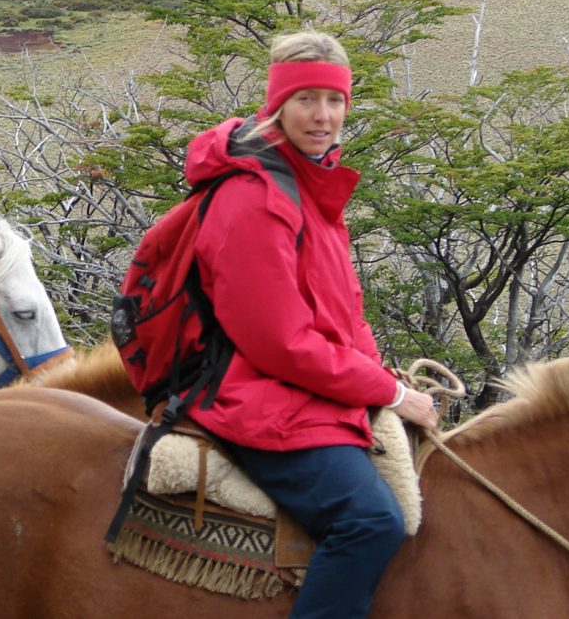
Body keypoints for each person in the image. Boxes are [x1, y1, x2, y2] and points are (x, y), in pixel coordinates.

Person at [184, 30, 437, 619]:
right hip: (256, 397)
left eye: (335, 100)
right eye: (306, 100)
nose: (322, 117)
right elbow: (280, 344)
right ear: (276, 104)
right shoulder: (255, 198)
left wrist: (377, 376)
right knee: (371, 522)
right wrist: (391, 393)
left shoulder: (308, 184)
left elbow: (344, 315)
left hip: (301, 389)